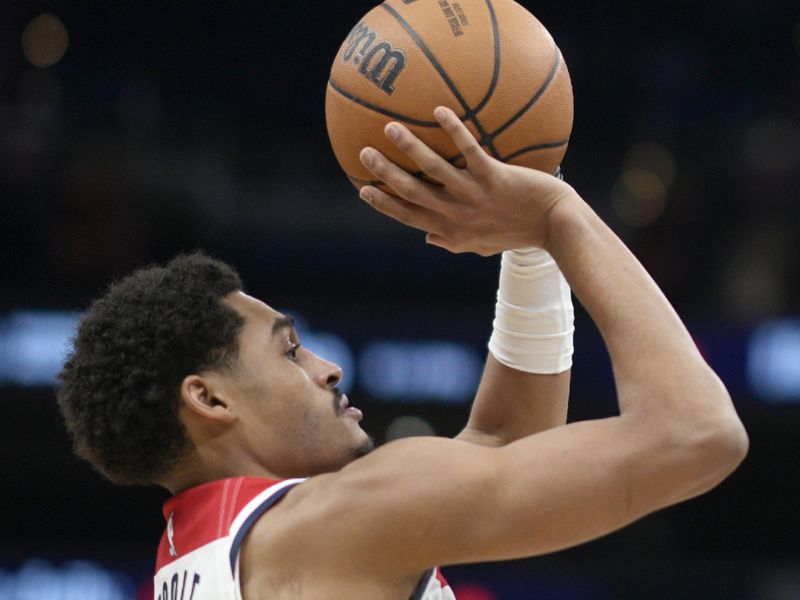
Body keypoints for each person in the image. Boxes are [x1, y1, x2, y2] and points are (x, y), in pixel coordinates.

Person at [57, 106, 748, 600]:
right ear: (208, 398)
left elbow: (499, 447)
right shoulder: (337, 521)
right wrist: (559, 217)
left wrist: (530, 251)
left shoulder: (188, 564)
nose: (327, 368)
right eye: (290, 351)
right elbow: (695, 435)